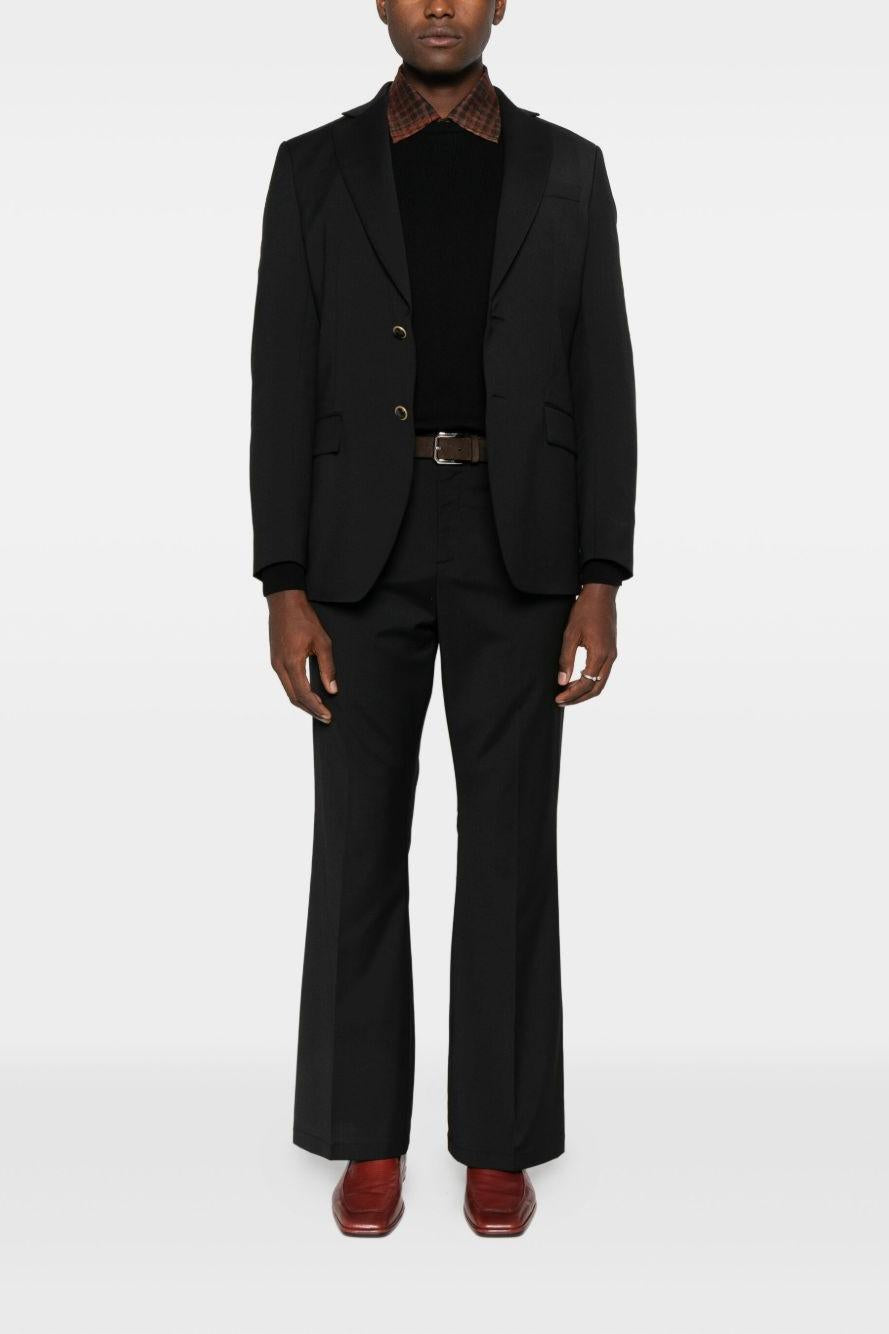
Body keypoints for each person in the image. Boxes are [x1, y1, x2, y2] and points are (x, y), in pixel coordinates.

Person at [249, 0, 636, 1238]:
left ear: (499, 2)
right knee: (357, 843)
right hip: (357, 550)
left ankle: (499, 1139)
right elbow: (280, 375)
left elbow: (603, 373)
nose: (438, 7)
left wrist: (600, 573)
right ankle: (366, 1134)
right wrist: (283, 581)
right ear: (379, 0)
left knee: (510, 846)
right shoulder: (313, 170)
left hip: (521, 543)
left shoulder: (569, 170)